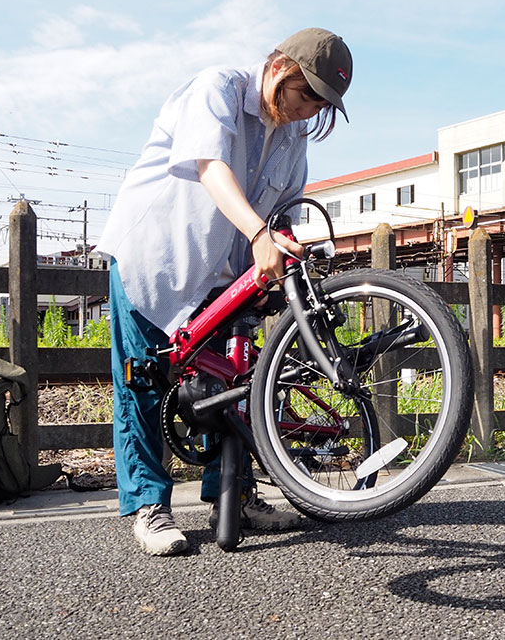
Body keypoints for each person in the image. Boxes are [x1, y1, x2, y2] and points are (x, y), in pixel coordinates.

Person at [96, 28, 353, 556]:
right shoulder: (216, 89)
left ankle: (233, 497)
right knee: (142, 384)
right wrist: (259, 235)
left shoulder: (293, 133)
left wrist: (279, 244)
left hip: (224, 274)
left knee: (234, 381)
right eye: (307, 96)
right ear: (280, 70)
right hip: (156, 258)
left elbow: (287, 207)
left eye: (321, 106)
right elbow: (211, 168)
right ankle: (150, 507)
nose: (308, 113)